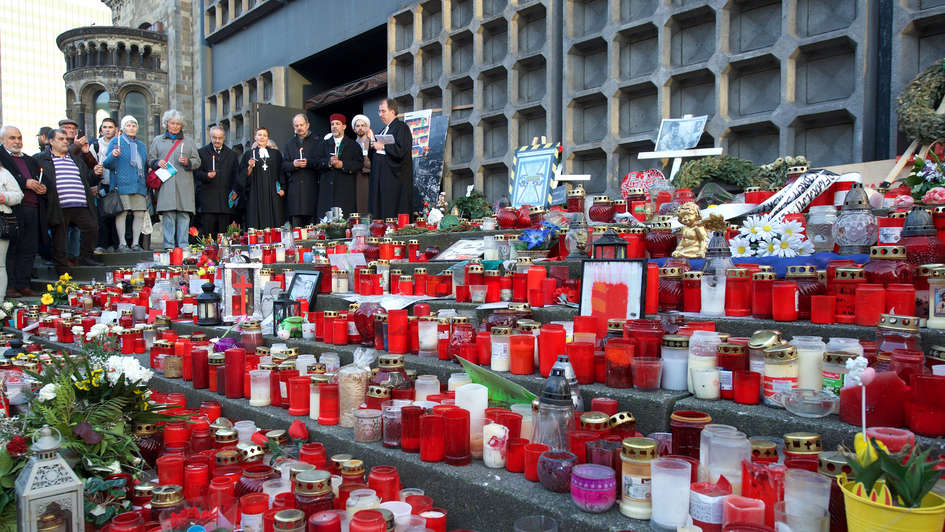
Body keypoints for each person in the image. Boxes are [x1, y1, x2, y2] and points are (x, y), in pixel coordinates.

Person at [33, 129, 101, 273]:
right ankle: (62, 268)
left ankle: (85, 257)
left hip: (81, 203)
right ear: (51, 142)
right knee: (60, 237)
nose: (65, 141)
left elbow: (87, 180)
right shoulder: (40, 159)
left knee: (92, 227)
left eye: (66, 139)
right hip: (58, 205)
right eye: (61, 139)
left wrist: (94, 173)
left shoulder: (76, 159)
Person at [0, 126, 44, 297]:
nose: (17, 141)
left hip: (32, 207)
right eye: (12, 138)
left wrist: (43, 186)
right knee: (12, 249)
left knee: (29, 248)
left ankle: (23, 284)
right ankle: (10, 286)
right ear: (3, 140)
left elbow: (41, 176)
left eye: (19, 137)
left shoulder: (29, 159)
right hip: (11, 211)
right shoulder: (2, 156)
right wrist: (25, 182)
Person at [149, 109, 200, 249]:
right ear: (167, 124)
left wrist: (188, 162)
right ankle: (169, 247)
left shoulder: (188, 141)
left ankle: (183, 246)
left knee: (184, 216)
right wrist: (157, 163)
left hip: (184, 185)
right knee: (168, 216)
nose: (175, 126)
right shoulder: (158, 140)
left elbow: (197, 161)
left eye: (178, 124)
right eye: (172, 123)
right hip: (166, 185)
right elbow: (150, 159)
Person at [102, 116, 149, 251]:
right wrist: (114, 155)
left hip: (138, 185)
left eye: (134, 125)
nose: (131, 128)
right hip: (121, 185)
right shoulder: (116, 142)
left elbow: (144, 167)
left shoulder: (141, 145)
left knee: (139, 213)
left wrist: (145, 188)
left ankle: (135, 243)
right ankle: (122, 243)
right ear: (123, 128)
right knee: (122, 213)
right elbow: (107, 164)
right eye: (128, 125)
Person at [369, 98, 413, 220]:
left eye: (383, 111)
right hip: (381, 179)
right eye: (379, 111)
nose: (380, 114)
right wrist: (372, 142)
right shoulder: (383, 130)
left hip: (394, 180)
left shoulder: (401, 128)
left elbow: (402, 151)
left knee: (392, 211)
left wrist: (383, 146)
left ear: (393, 111)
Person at [194, 126, 238, 237]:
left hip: (225, 203)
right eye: (214, 138)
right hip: (208, 203)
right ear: (210, 137)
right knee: (208, 237)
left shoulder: (232, 154)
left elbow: (236, 176)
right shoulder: (201, 152)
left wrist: (235, 191)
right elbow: (196, 173)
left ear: (224, 138)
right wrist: (206, 175)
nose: (217, 141)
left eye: (220, 138)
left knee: (224, 238)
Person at [238, 127, 285, 229]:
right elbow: (242, 176)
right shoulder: (249, 154)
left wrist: (282, 188)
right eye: (259, 135)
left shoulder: (276, 154)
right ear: (255, 137)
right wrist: (250, 167)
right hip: (255, 192)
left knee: (274, 219)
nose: (262, 137)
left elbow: (281, 171)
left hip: (272, 192)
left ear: (268, 138)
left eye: (264, 135)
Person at [316, 114, 362, 217]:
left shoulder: (353, 145)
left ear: (344, 126)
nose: (334, 126)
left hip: (345, 189)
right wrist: (328, 162)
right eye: (332, 124)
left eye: (337, 124)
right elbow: (316, 162)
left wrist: (343, 164)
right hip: (327, 190)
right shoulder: (323, 144)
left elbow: (358, 164)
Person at [281, 114, 322, 226]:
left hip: (311, 188)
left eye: (301, 125)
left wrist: (308, 163)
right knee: (296, 228)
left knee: (312, 226)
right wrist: (293, 164)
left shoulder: (317, 141)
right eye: (296, 125)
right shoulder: (289, 144)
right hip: (295, 191)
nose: (299, 127)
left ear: (307, 125)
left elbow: (322, 162)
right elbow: (283, 165)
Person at [92, 118, 119, 253]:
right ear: (101, 130)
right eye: (105, 127)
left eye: (110, 127)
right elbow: (91, 164)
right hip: (102, 184)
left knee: (117, 215)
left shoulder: (119, 144)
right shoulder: (96, 145)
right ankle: (102, 244)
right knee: (102, 216)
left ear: (116, 129)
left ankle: (115, 244)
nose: (108, 130)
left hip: (117, 185)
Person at [0, 163, 24, 299]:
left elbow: (18, 195)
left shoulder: (3, 173)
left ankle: (0, 303)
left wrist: (4, 197)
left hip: (1, 223)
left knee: (0, 265)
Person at [352, 114, 372, 215]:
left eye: (363, 125)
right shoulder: (351, 144)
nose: (360, 128)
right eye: (358, 126)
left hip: (369, 178)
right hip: (356, 178)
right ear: (354, 129)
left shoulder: (372, 142)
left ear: (367, 128)